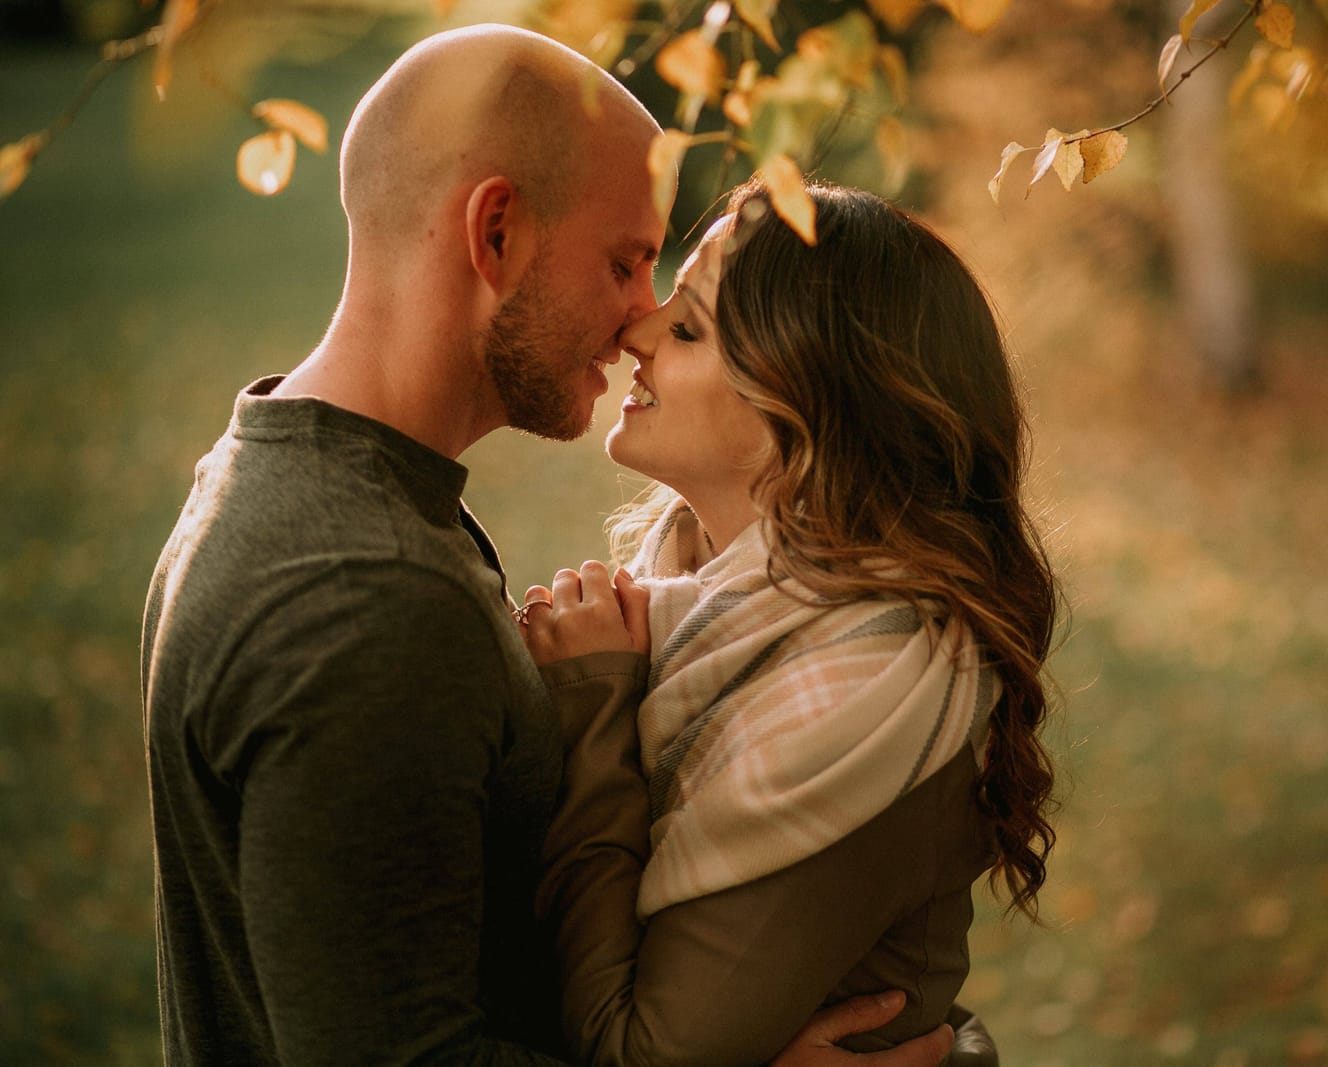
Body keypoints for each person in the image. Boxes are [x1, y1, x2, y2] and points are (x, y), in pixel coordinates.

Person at [141, 25, 965, 1066]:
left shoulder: (309, 482)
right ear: (496, 235)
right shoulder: (367, 598)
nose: (636, 319)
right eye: (626, 261)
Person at [517, 179, 1062, 1066]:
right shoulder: (694, 589)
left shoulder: (864, 693)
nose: (636, 333)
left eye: (688, 329)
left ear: (803, 418)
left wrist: (593, 713)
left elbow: (637, 1049)